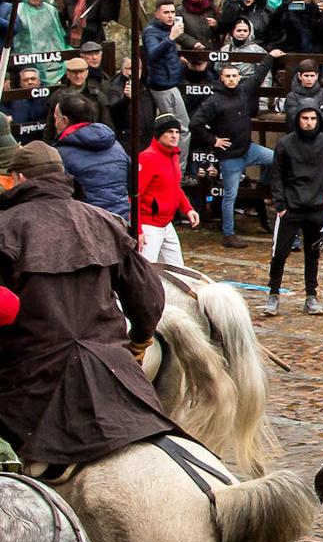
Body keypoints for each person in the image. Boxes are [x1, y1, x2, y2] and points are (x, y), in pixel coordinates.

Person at [0, 141, 174, 469]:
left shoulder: (4, 228)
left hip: (29, 381)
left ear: (19, 178)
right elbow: (149, 297)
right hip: (112, 368)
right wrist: (139, 342)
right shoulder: (105, 220)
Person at [191, 54, 282, 248]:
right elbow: (195, 123)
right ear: (221, 78)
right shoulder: (213, 101)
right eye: (228, 76)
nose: (231, 79)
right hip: (230, 157)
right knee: (230, 196)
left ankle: (264, 186)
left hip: (249, 149)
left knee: (279, 159)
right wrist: (213, 140)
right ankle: (228, 234)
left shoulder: (243, 91)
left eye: (234, 75)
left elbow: (258, 76)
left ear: (239, 77)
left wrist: (270, 57)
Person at [267, 102, 323, 317]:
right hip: (291, 208)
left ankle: (310, 296)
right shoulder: (285, 144)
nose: (309, 122)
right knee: (280, 253)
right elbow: (276, 176)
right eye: (305, 118)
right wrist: (280, 205)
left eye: (313, 118)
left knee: (312, 255)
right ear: (297, 119)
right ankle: (273, 293)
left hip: (317, 207)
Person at [137, 114, 201, 267]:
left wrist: (188, 209)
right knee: (146, 273)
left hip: (166, 223)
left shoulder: (173, 155)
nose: (174, 136)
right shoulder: (147, 158)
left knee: (178, 270)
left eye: (177, 132)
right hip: (149, 225)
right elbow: (134, 196)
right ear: (159, 134)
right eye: (169, 132)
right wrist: (138, 229)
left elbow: (174, 187)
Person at [53, 92, 129, 220]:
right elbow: (132, 186)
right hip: (121, 222)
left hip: (88, 225)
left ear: (65, 120)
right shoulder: (116, 145)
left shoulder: (60, 154)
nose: (55, 124)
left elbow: (59, 198)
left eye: (56, 119)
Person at [143, 0, 191, 175]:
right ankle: (179, 169)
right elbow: (153, 54)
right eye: (166, 12)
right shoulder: (151, 31)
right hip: (163, 87)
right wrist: (171, 37)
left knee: (179, 128)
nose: (171, 16)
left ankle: (176, 167)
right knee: (181, 128)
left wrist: (180, 62)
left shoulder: (167, 29)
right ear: (157, 14)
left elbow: (166, 54)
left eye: (173, 12)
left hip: (172, 83)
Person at [45, 56, 112, 139]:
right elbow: (50, 127)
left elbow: (107, 125)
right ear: (68, 74)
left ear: (86, 73)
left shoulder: (97, 96)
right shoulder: (57, 96)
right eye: (74, 72)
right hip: (64, 142)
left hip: (92, 141)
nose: (78, 76)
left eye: (81, 72)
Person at [14, 0, 67, 87]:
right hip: (26, 59)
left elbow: (57, 35)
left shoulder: (51, 10)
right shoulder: (18, 10)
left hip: (51, 58)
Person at [284, 59, 323, 130]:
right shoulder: (292, 96)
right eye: (306, 76)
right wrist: (318, 114)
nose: (309, 79)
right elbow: (293, 120)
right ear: (299, 76)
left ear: (317, 76)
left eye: (312, 76)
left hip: (322, 134)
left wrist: (309, 116)